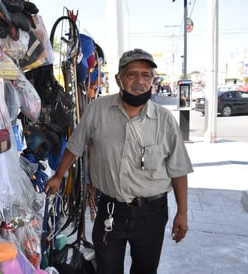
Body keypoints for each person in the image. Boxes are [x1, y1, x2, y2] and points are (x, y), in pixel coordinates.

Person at [44, 48, 193, 274]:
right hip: (110, 209)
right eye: (132, 74)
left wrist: (182, 212)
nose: (139, 81)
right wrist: (57, 176)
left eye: (146, 75)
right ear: (119, 79)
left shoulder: (165, 120)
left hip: (151, 212)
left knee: (145, 269)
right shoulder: (97, 110)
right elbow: (75, 145)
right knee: (106, 268)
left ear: (153, 80)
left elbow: (179, 169)